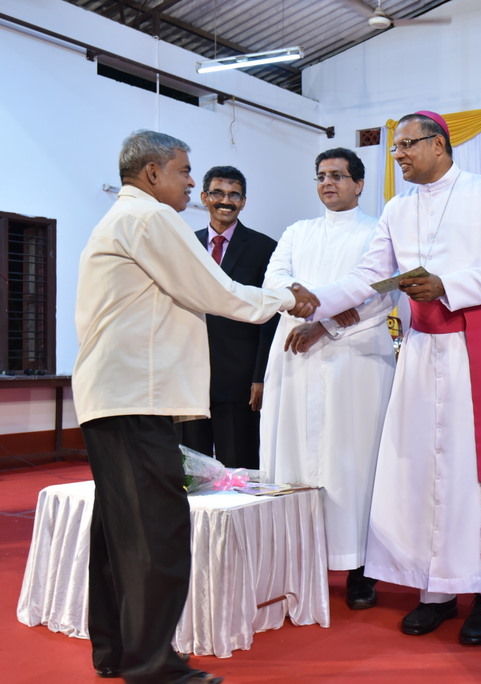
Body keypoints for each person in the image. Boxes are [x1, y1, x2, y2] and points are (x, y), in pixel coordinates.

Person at [73, 130, 318, 684]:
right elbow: (219, 292)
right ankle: (153, 666)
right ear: (152, 173)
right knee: (156, 532)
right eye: (185, 171)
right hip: (136, 397)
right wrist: (288, 297)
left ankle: (117, 650)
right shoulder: (151, 218)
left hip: (116, 394)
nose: (192, 184)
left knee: (119, 534)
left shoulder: (122, 218)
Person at [309, 111, 481, 646]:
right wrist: (315, 301)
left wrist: (447, 284)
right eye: (395, 147)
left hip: (476, 348)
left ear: (438, 145)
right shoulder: (397, 208)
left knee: (474, 471)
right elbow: (370, 277)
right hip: (421, 353)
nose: (397, 154)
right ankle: (435, 589)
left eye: (406, 145)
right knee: (422, 468)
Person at [260, 147, 396, 610]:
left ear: (359, 183)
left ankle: (360, 568)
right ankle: (299, 560)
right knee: (294, 456)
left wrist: (328, 322)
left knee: (353, 460)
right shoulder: (297, 232)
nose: (327, 183)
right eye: (320, 176)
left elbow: (384, 292)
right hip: (295, 357)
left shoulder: (378, 231)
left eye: (338, 175)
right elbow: (274, 279)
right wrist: (305, 301)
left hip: (355, 359)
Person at [180, 166, 278, 469]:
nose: (226, 201)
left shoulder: (265, 248)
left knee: (239, 468)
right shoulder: (184, 245)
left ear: (243, 201)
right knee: (190, 468)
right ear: (204, 197)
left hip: (239, 380)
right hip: (189, 375)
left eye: (234, 195)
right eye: (218, 193)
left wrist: (260, 376)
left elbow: (270, 318)